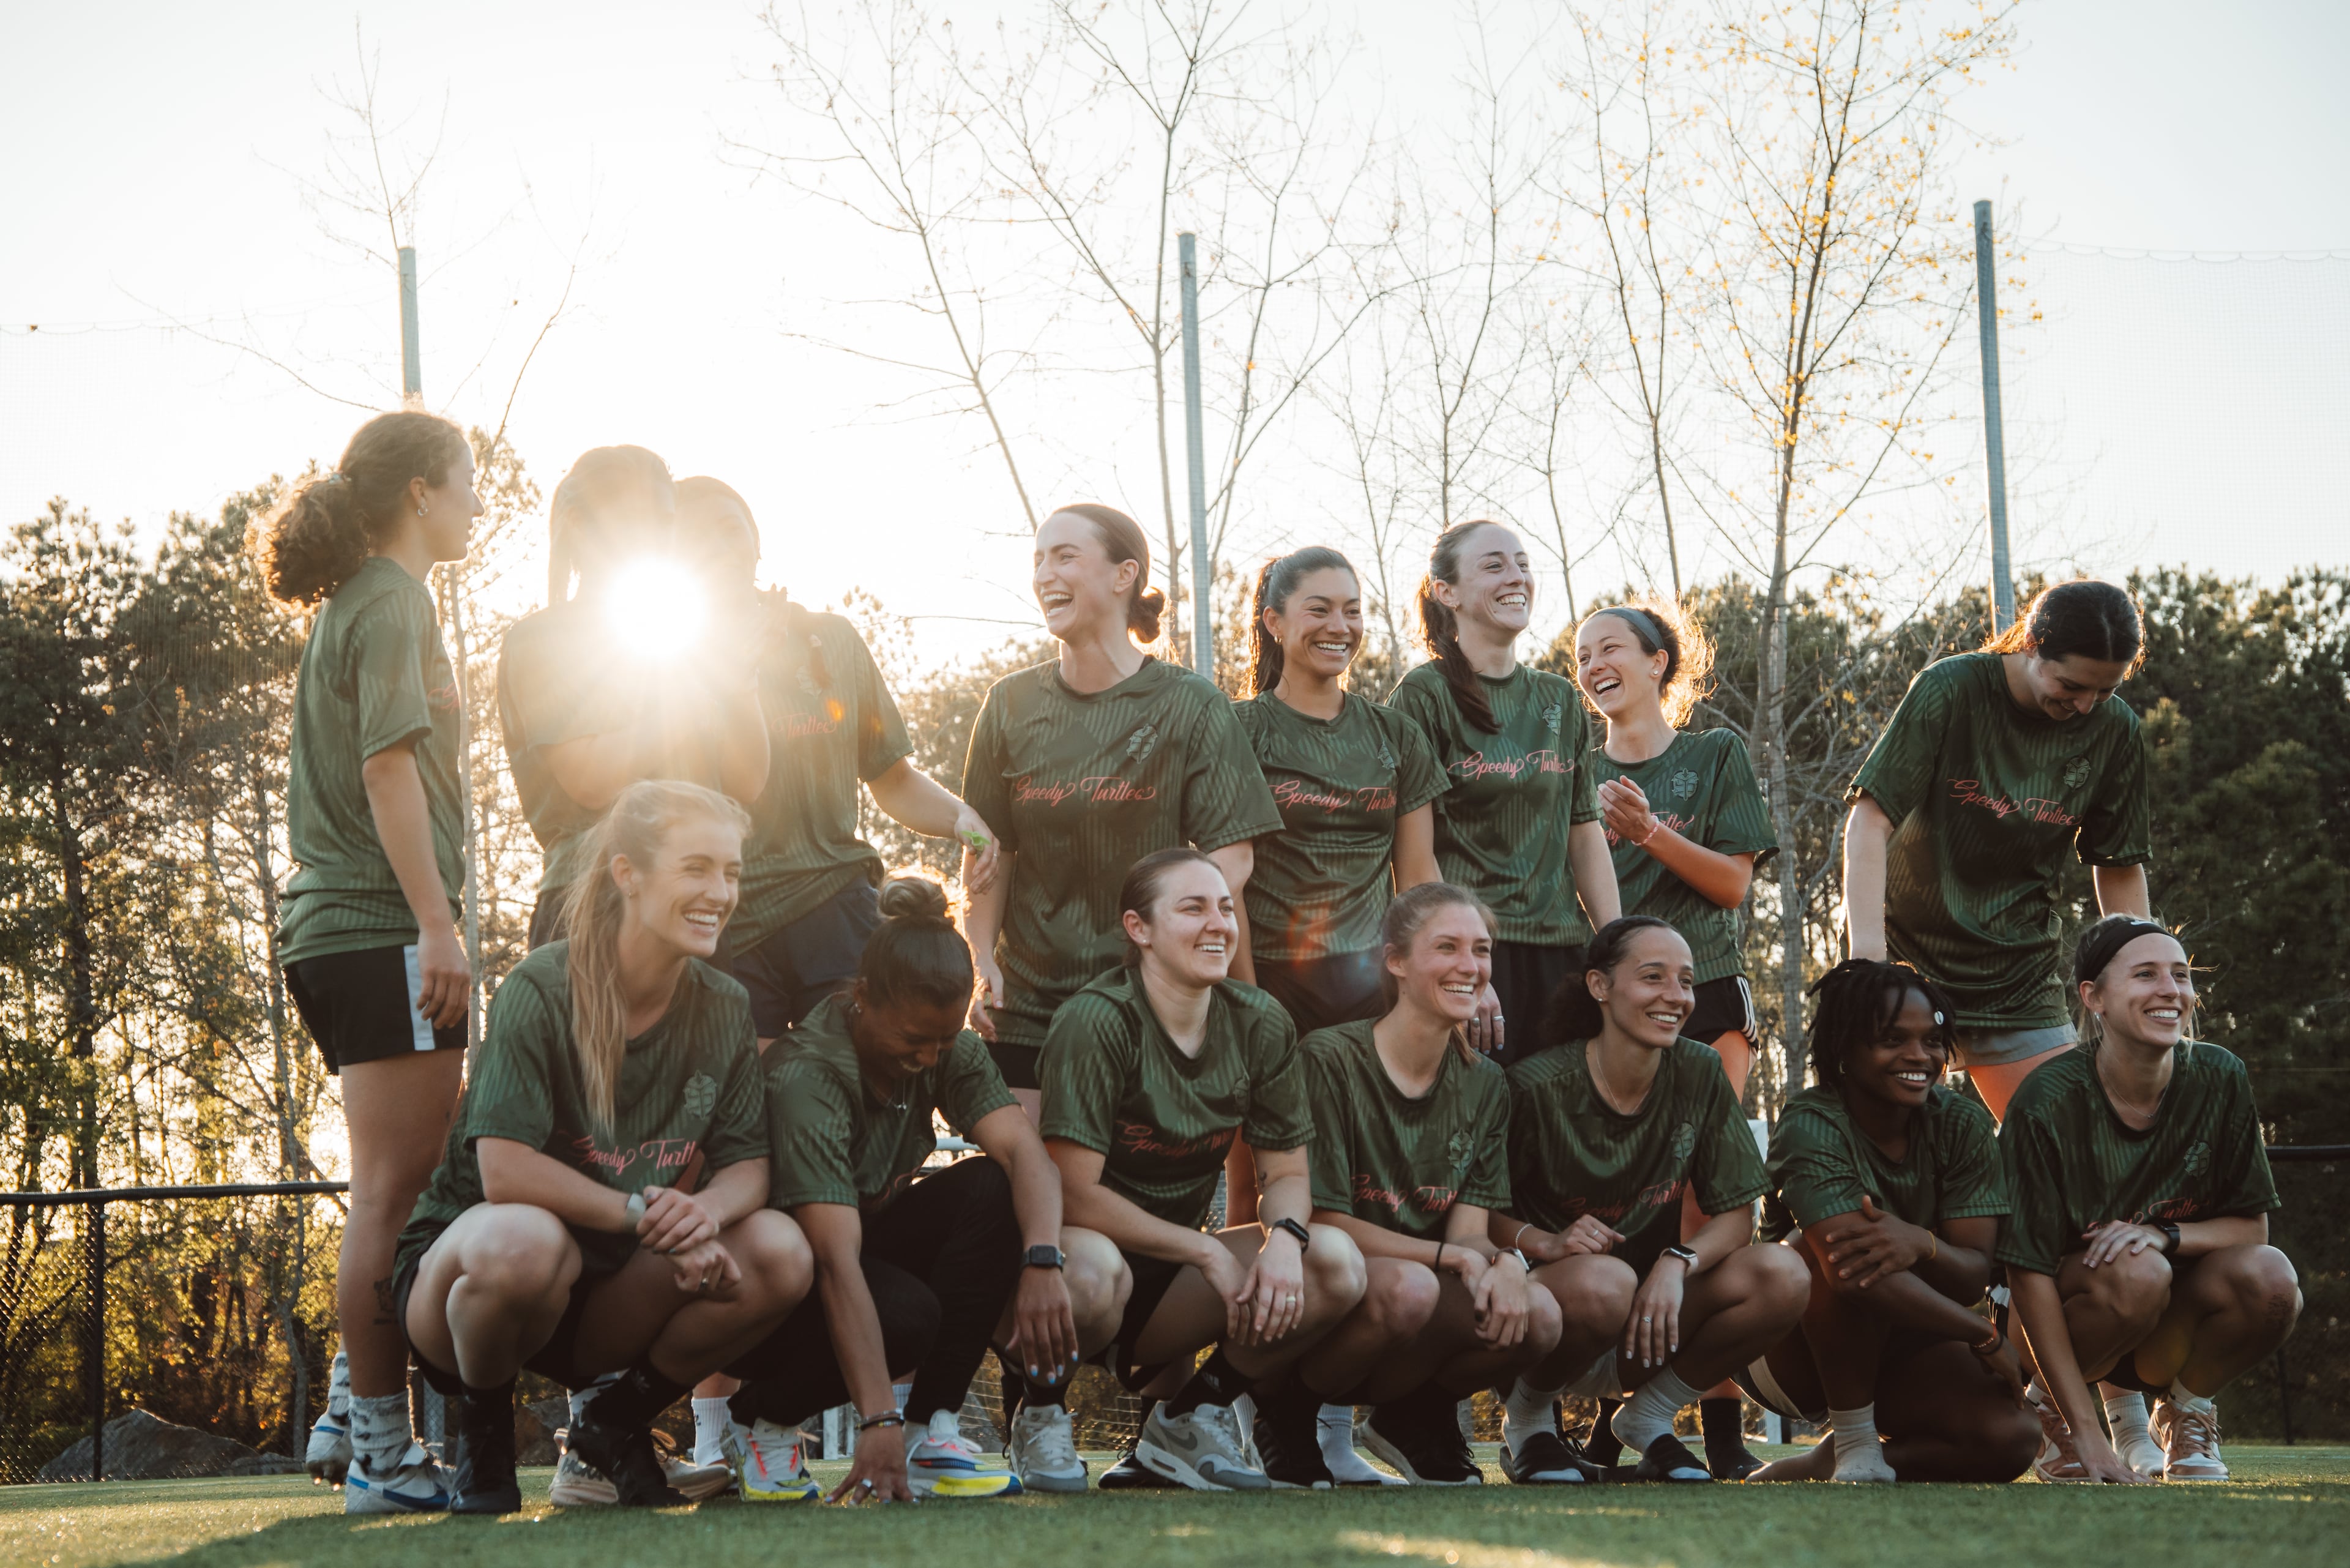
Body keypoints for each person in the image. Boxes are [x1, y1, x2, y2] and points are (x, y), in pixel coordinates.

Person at [394, 780, 811, 1511]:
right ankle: (483, 1439)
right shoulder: (541, 987)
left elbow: (749, 1164)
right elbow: (503, 1172)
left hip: (607, 1297)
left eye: (732, 871)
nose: (720, 892)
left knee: (780, 1251)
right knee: (524, 1241)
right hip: (472, 1287)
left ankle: (612, 1425)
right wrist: (644, 1213)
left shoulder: (725, 1004)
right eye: (696, 867)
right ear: (629, 875)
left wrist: (703, 1214)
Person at [723, 877, 1127, 1502]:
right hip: (777, 1284)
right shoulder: (810, 1076)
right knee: (908, 1318)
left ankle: (928, 1431)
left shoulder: (949, 1050)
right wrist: (876, 1417)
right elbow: (833, 1261)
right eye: (915, 1040)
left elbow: (1027, 1156)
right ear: (862, 998)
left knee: (993, 1187)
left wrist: (1043, 1260)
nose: (930, 1056)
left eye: (944, 1039)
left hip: (860, 1251)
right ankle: (762, 1418)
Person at [258, 409, 479, 1512]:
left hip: (352, 930)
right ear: (422, 495)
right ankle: (383, 1456)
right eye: (468, 481)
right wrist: (439, 927)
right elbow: (390, 773)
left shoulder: (365, 602)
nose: (481, 502)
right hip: (379, 926)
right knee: (397, 1191)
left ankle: (354, 1397)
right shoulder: (391, 599)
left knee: (408, 1179)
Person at [1042, 849, 1370, 1491]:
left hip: (1172, 1282)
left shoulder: (1261, 1022)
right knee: (1094, 1270)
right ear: (1139, 929)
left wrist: (1284, 1242)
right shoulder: (1095, 1019)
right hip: (1077, 1267)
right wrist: (1205, 1252)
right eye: (1192, 908)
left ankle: (1189, 1419)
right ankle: (1040, 1409)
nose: (1218, 924)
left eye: (1225, 907)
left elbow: (1290, 1176)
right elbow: (1074, 1197)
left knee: (1334, 1261)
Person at [961, 504, 1281, 1103]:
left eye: (1065, 556)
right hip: (1026, 1014)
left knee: (1118, 1191)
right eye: (1037, 560)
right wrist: (981, 959)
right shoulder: (1008, 704)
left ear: (1123, 574)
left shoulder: (1193, 705)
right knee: (1027, 1188)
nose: (1044, 574)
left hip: (1148, 1008)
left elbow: (1232, 858)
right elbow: (987, 853)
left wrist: (1176, 948)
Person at [678, 476, 999, 1046]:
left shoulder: (832, 640)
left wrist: (961, 819)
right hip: (731, 917)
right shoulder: (666, 661)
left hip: (837, 907)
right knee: (755, 1103)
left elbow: (890, 776)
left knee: (856, 1081)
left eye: (729, 529)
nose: (717, 547)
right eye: (694, 536)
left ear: (757, 543)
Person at [1572, 603, 1778, 1477]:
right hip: (1611, 1014)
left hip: (1708, 1002)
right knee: (1624, 1204)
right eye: (1581, 654)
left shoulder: (1715, 754)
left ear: (1659, 661)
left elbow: (1733, 886)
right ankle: (1611, 1415)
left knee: (1699, 1207)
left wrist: (1648, 831)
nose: (1594, 663)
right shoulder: (1570, 772)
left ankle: (1718, 1428)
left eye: (1611, 646)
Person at [1492, 917, 1808, 1484]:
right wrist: (1549, 1243)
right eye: (1653, 977)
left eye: (1686, 981)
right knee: (1604, 1281)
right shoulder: (1534, 1087)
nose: (1676, 997)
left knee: (1784, 1272)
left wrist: (1677, 1261)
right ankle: (1528, 1422)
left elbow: (1738, 1214)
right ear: (1600, 987)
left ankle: (1649, 1417)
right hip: (1546, 1323)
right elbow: (1476, 1213)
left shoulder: (1701, 1071)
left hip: (1649, 1322)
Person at [1280, 883, 1562, 1488]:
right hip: (1327, 1285)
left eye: (1481, 950)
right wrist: (1448, 1256)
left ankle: (1411, 1413)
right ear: (1397, 962)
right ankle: (1285, 1410)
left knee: (1539, 1314)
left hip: (1419, 1290)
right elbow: (1323, 1220)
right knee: (1408, 1287)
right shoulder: (1327, 1058)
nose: (1471, 967)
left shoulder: (1487, 1083)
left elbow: (1469, 1232)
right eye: (1448, 948)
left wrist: (1508, 1262)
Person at [1999, 916, 2299, 1484]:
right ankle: (2046, 1410)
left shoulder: (2220, 1075)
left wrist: (2166, 1234)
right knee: (2139, 1272)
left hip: (2163, 1319)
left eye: (2181, 975)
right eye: (2146, 975)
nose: (2171, 990)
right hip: (2053, 1321)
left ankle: (2186, 1410)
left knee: (2273, 1281)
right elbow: (2025, 1274)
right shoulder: (2046, 1100)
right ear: (2094, 998)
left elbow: (2252, 1232)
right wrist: (2085, 1425)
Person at [1842, 580, 2154, 1122]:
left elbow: (2119, 863)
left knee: (2067, 1145)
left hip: (2019, 977)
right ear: (2032, 643)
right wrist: (1869, 963)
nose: (2085, 706)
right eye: (2072, 685)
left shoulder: (2116, 731)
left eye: (2104, 692)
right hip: (1910, 966)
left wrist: (2144, 967)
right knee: (1890, 1156)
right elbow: (1870, 820)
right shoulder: (1950, 689)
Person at [1741, 960, 2037, 1484]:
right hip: (1790, 1353)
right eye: (1893, 1039)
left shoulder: (1961, 1125)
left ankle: (1826, 1461)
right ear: (1844, 1051)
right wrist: (1982, 1334)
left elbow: (1972, 1273)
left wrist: (1921, 1243)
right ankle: (1856, 1442)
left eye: (1932, 1040)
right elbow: (1847, 1269)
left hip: (1911, 1336)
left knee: (2010, 1439)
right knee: (1823, 1252)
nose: (1919, 1057)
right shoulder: (1810, 1122)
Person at [498, 449, 770, 947]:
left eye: (665, 522)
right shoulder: (539, 640)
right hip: (592, 896)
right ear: (580, 524)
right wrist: (698, 692)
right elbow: (591, 780)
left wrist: (739, 683)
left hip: (698, 905)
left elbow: (748, 781)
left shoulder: (691, 637)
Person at [1387, 520, 1619, 1062]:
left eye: (1522, 564)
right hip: (1472, 956)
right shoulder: (1423, 696)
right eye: (1493, 565)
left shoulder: (1560, 699)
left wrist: (1615, 952)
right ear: (1447, 592)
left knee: (1557, 1132)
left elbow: (1584, 836)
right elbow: (1413, 859)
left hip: (1563, 955)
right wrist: (1464, 969)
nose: (1516, 577)